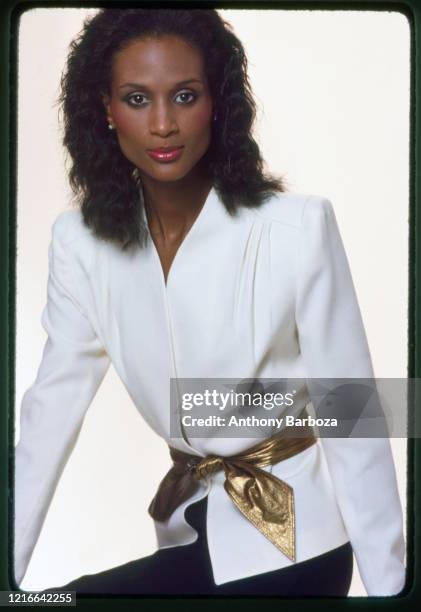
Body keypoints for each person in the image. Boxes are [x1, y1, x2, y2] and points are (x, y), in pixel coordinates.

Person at [13, 8, 405, 597]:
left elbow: (352, 413)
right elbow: (48, 416)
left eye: (186, 96)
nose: (164, 124)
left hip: (297, 540)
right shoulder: (81, 246)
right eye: (138, 99)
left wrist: (392, 592)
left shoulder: (296, 228)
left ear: (217, 102)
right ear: (105, 108)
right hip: (191, 529)